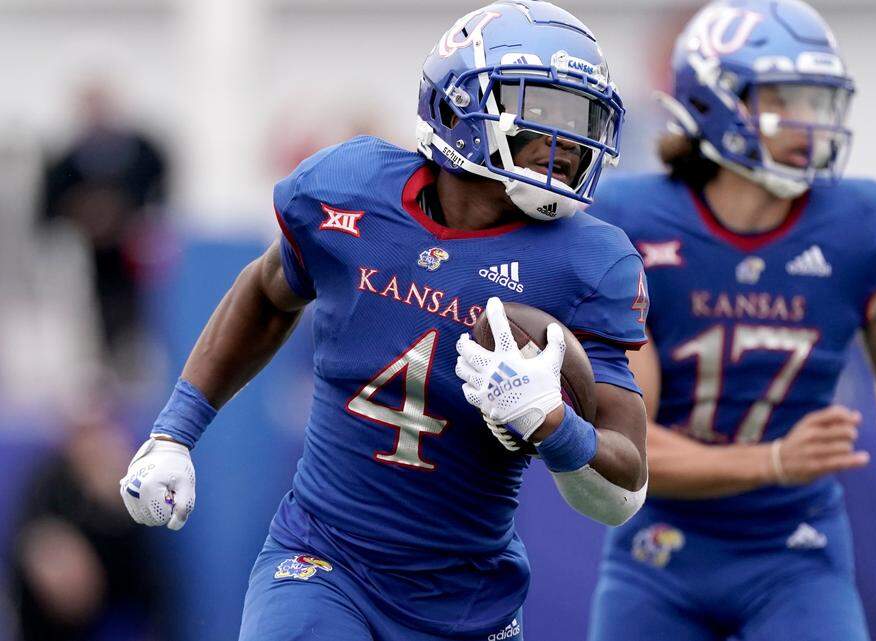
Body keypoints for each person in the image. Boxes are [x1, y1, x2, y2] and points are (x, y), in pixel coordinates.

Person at [117, 3, 649, 640]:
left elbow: (623, 493)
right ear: (460, 106)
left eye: (580, 116)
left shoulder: (590, 261)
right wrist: (175, 431)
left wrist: (553, 423)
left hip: (467, 598)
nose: (567, 141)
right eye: (542, 110)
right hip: (323, 558)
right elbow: (265, 293)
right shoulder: (352, 188)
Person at [586, 2, 876, 641]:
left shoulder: (866, 225)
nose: (810, 122)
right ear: (717, 101)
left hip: (797, 552)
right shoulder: (632, 221)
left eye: (819, 99)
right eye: (787, 98)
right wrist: (773, 460)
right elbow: (632, 452)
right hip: (659, 554)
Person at [39, 81, 167, 363]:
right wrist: (82, 215)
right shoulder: (66, 163)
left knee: (135, 325)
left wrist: (126, 219)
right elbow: (47, 214)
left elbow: (161, 197)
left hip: (132, 260)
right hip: (84, 263)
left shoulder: (143, 154)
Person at [10, 406, 161, 641]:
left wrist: (115, 510)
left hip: (115, 618)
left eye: (101, 435)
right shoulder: (47, 484)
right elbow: (30, 541)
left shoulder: (133, 489)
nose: (93, 447)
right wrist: (47, 551)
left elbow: (150, 584)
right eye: (85, 434)